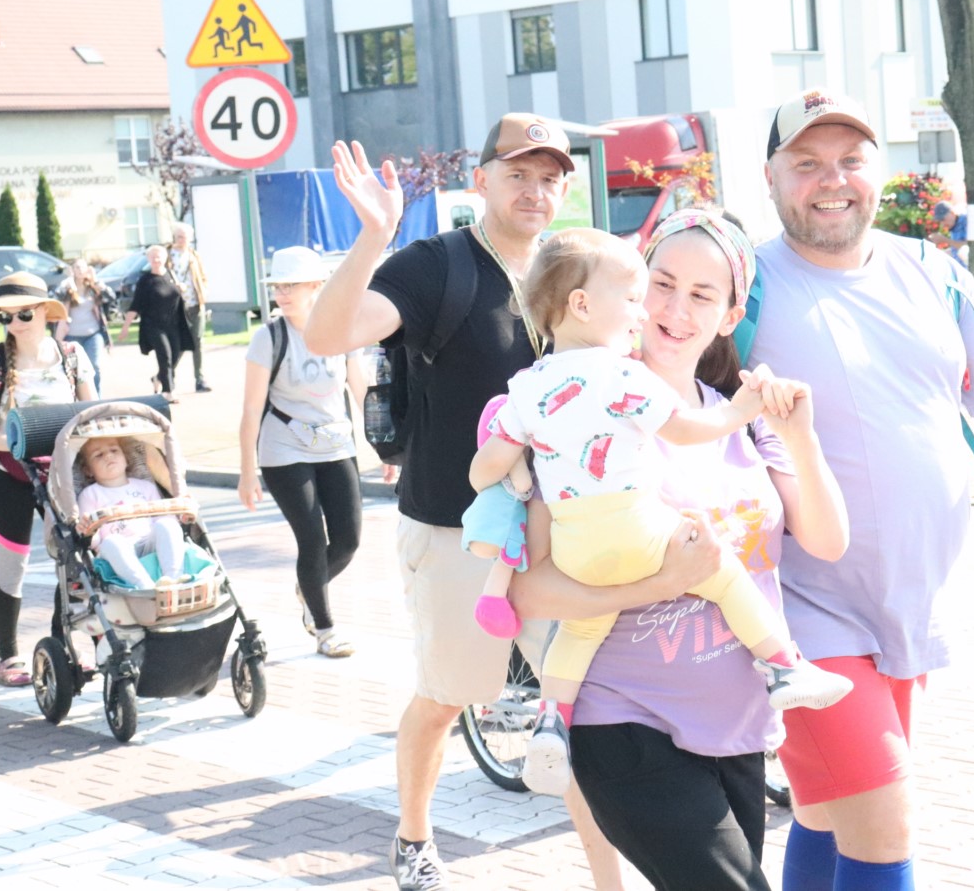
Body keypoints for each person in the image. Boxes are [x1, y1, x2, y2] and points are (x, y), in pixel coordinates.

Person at [305, 116, 725, 891]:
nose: (536, 190)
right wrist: (373, 237)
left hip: (570, 531)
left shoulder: (579, 265)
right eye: (518, 173)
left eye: (551, 177)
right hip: (458, 531)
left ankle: (609, 883)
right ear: (482, 180)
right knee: (445, 697)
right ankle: (413, 836)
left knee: (588, 717)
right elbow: (328, 335)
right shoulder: (438, 265)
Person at [749, 88, 974, 890]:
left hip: (909, 601)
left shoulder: (933, 271)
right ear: (770, 177)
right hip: (799, 605)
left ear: (879, 170)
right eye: (807, 163)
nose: (831, 180)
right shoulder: (744, 285)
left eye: (850, 160)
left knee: (828, 813)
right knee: (885, 816)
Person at [503, 208, 849, 891]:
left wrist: (801, 436)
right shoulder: (576, 403)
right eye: (661, 284)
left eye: (701, 294)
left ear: (729, 316)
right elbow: (529, 590)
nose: (674, 309)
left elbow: (827, 540)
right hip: (624, 720)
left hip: (737, 723)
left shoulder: (738, 414)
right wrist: (656, 584)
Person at [238, 246, 367, 659]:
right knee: (312, 540)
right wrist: (246, 471)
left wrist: (386, 449)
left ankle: (310, 587)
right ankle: (324, 628)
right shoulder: (269, 338)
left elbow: (361, 389)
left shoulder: (343, 329)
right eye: (278, 286)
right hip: (285, 449)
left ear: (316, 287)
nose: (282, 293)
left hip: (336, 444)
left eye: (291, 285)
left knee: (347, 541)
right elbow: (251, 410)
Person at [0, 272, 96, 686]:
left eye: (23, 314)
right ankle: (8, 657)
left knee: (70, 559)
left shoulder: (72, 356)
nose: (15, 323)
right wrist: (13, 442)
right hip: (9, 473)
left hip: (62, 474)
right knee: (12, 568)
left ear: (44, 312)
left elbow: (92, 413)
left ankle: (62, 649)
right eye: (5, 316)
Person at [76, 436, 189, 589]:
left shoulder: (146, 487)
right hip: (117, 551)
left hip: (147, 541)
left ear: (126, 458)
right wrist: (87, 530)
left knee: (168, 524)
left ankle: (173, 577)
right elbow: (94, 541)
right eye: (99, 455)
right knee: (111, 541)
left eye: (114, 450)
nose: (108, 456)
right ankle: (146, 587)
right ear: (88, 470)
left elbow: (163, 518)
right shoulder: (90, 494)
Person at [120, 245, 194, 403]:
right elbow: (136, 304)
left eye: (159, 256)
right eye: (152, 257)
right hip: (153, 325)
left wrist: (182, 288)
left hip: (173, 324)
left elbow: (178, 296)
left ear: (165, 258)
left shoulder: (170, 275)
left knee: (175, 355)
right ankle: (168, 391)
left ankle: (158, 378)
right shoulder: (145, 280)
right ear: (148, 259)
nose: (156, 259)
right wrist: (125, 327)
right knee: (165, 356)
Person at [53, 259, 116, 396]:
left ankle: (96, 397)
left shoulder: (93, 288)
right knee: (73, 369)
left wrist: (96, 280)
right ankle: (79, 397)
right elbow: (55, 298)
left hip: (93, 334)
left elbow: (111, 297)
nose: (80, 270)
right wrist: (67, 282)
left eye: (83, 267)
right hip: (71, 335)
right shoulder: (68, 288)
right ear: (72, 270)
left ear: (88, 269)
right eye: (77, 267)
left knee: (94, 366)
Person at [168, 222, 212, 392]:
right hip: (176, 307)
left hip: (195, 304)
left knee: (198, 341)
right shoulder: (168, 255)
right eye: (179, 237)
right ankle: (166, 375)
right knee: (179, 344)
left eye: (185, 237)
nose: (182, 240)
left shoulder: (194, 255)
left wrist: (204, 291)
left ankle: (199, 379)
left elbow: (203, 276)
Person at [930, 201, 969, 266]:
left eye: (943, 219)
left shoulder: (965, 221)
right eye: (940, 221)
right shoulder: (953, 227)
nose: (942, 224)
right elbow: (956, 250)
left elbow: (968, 247)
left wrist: (945, 240)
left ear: (952, 212)